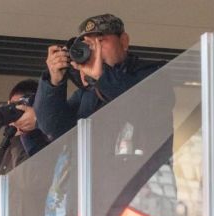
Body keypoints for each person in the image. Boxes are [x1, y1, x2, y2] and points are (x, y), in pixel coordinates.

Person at [35, 13, 166, 141]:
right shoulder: (87, 92)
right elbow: (52, 128)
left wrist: (101, 76)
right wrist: (53, 82)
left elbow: (147, 109)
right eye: (88, 45)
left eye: (100, 41)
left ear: (123, 41)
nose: (94, 50)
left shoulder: (154, 73)